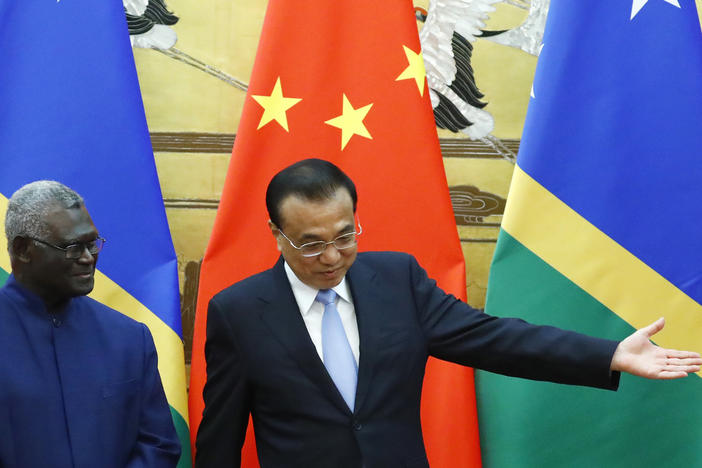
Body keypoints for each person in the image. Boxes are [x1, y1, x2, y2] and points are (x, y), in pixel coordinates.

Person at [195, 159, 700, 468]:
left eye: (345, 236)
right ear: (277, 235)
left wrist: (609, 354)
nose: (331, 257)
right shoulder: (239, 312)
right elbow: (220, 440)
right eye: (310, 244)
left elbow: (496, 339)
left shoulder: (396, 281)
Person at [0, 181, 180, 467]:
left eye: (91, 244)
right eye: (72, 247)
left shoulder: (129, 338)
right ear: (23, 249)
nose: (88, 258)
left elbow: (158, 445)